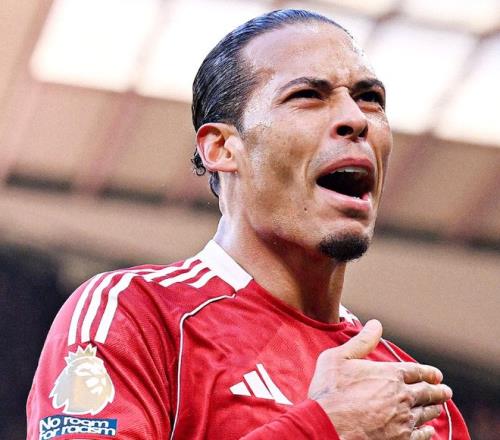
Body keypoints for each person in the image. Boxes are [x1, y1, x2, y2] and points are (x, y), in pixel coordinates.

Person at [27, 9, 470, 440]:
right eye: (307, 95)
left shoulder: (417, 401)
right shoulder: (135, 314)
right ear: (221, 149)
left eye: (370, 98)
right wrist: (326, 428)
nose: (356, 119)